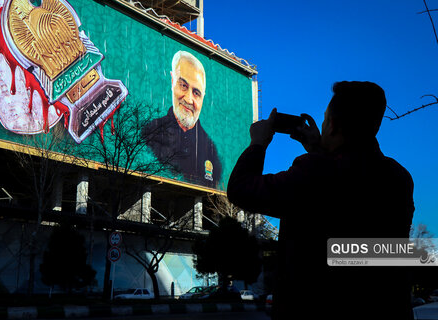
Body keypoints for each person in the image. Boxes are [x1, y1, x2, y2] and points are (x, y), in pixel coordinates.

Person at [227, 81, 414, 319]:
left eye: (325, 120)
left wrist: (258, 144)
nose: (323, 125)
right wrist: (320, 150)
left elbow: (241, 189)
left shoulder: (314, 172)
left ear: (333, 126)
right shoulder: (398, 178)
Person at [143, 51, 221, 188]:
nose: (188, 99)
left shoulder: (211, 151)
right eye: (183, 85)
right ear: (172, 81)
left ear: (203, 97)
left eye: (196, 93)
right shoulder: (148, 132)